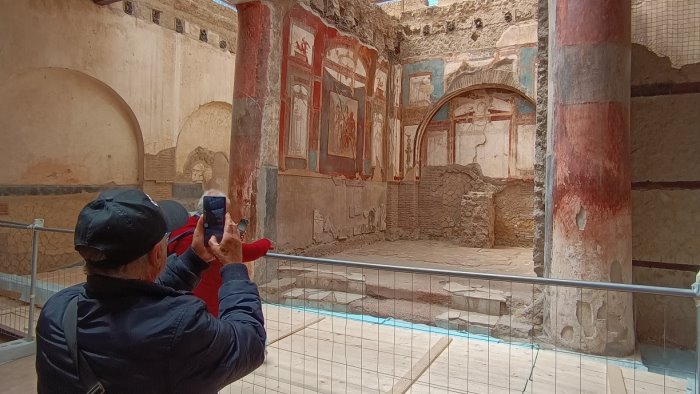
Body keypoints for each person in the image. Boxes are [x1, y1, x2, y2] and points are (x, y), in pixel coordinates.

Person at [35, 189, 265, 393]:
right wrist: (234, 267)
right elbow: (250, 343)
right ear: (157, 255)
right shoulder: (181, 328)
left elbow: (136, 297)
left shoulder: (57, 310)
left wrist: (194, 260)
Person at [168, 189, 274, 317]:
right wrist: (266, 243)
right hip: (207, 306)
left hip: (179, 303)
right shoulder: (216, 238)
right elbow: (247, 252)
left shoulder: (180, 228)